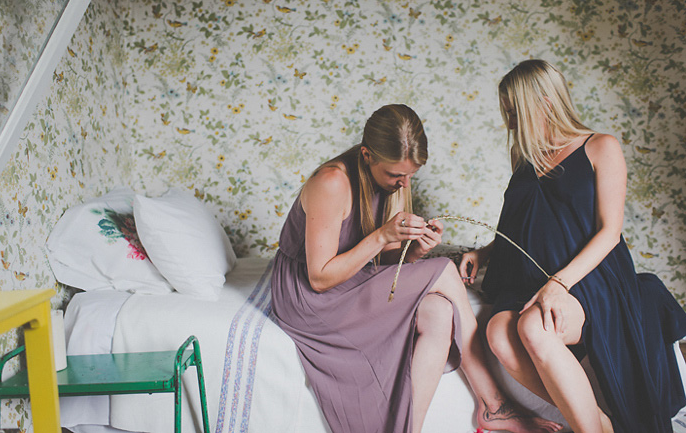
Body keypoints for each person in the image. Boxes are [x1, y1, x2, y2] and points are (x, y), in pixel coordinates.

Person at [271, 103, 562, 433]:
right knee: (444, 271)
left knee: (439, 311)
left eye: (411, 175)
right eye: (396, 175)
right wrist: (383, 235)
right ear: (367, 155)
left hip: (347, 282)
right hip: (309, 298)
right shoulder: (332, 182)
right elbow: (320, 278)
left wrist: (414, 251)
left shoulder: (391, 184)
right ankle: (494, 404)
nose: (404, 184)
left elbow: (376, 260)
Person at [459, 59, 686, 433]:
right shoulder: (524, 161)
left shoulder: (600, 147)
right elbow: (523, 227)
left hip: (591, 278)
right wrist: (482, 253)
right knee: (498, 332)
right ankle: (597, 419)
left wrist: (560, 283)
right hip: (532, 279)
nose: (510, 122)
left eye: (514, 111)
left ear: (545, 103)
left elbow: (609, 232)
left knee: (535, 327)